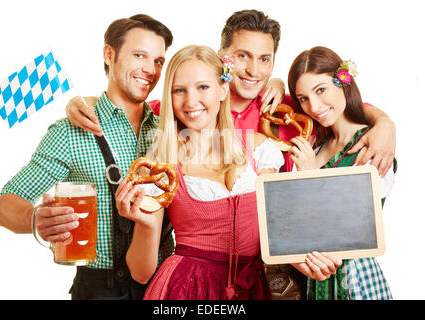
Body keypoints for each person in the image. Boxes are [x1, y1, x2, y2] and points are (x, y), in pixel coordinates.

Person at [63, 9, 396, 299]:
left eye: (264, 59)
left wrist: (384, 123)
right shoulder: (166, 143)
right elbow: (128, 110)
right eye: (243, 56)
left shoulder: (280, 116)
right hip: (183, 286)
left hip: (262, 284)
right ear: (224, 60)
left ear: (220, 88)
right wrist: (85, 102)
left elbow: (335, 103)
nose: (253, 69)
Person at [113, 44, 342, 300]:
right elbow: (141, 273)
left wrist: (305, 261)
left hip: (252, 288)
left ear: (223, 89)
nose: (191, 101)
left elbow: (275, 230)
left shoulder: (260, 149)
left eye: (203, 87)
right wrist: (144, 224)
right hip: (186, 289)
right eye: (179, 90)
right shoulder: (162, 163)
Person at [0, 15, 174, 300]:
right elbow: (5, 205)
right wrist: (35, 218)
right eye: (139, 55)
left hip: (169, 286)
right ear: (109, 54)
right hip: (100, 289)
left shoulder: (171, 126)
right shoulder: (70, 132)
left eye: (158, 61)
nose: (150, 69)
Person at [287, 46, 395, 300]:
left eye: (321, 90)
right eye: (303, 98)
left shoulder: (372, 143)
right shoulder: (316, 147)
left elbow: (359, 226)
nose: (313, 106)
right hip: (314, 279)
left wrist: (311, 175)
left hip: (355, 279)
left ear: (343, 82)